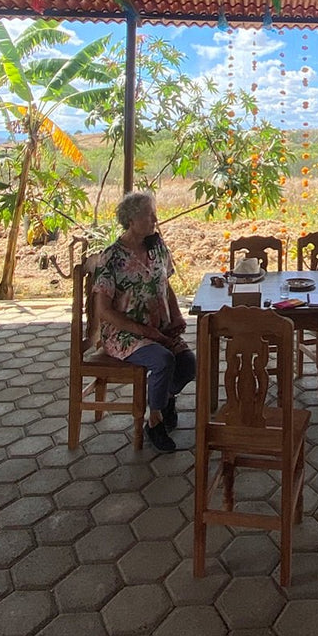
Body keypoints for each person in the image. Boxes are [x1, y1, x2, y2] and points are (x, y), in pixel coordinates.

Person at [93, 191, 196, 453]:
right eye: (149, 215)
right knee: (163, 360)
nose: (155, 219)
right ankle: (154, 420)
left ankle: (166, 397)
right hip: (126, 333)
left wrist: (175, 317)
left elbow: (166, 284)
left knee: (188, 364)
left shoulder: (156, 246)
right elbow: (103, 311)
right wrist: (143, 330)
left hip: (157, 329)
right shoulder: (113, 257)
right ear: (131, 220)